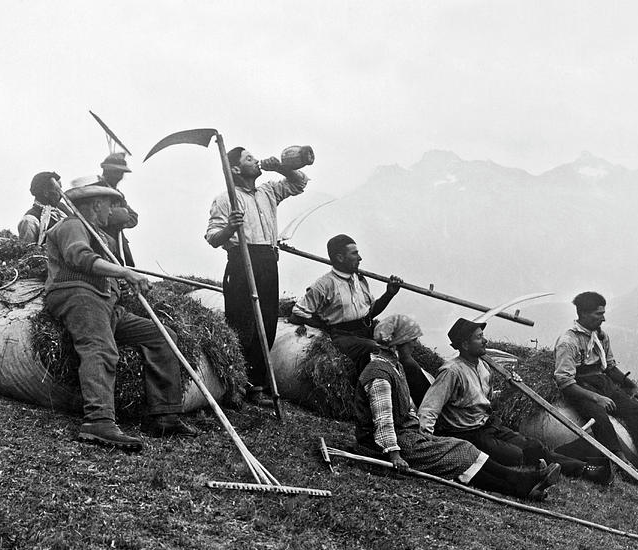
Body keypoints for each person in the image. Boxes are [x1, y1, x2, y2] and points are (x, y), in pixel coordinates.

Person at [43, 182, 197, 449]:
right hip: (78, 295)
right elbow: (79, 257)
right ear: (96, 204)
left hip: (107, 305)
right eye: (111, 204)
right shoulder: (71, 225)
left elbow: (108, 274)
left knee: (163, 337)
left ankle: (164, 415)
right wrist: (124, 272)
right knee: (100, 348)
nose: (113, 210)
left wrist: (123, 283)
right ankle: (98, 422)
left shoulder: (105, 237)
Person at [354, 315, 562, 501]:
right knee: (457, 456)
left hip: (406, 435)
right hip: (385, 445)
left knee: (465, 448)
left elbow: (405, 409)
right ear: (397, 344)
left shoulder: (395, 367)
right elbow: (383, 421)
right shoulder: (379, 374)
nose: (415, 345)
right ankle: (521, 484)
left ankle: (522, 484)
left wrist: (420, 432)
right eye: (411, 341)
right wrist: (394, 455)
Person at [418, 318, 608, 483]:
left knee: (534, 446)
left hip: (489, 426)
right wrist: (427, 442)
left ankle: (583, 469)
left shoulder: (483, 367)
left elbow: (489, 402)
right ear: (465, 345)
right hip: (466, 433)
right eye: (478, 337)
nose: (485, 340)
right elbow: (429, 408)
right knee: (515, 455)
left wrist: (509, 390)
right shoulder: (451, 371)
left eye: (483, 335)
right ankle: (562, 467)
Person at [205, 146, 308, 403]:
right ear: (236, 169)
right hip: (242, 261)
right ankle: (235, 386)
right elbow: (212, 238)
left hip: (267, 262)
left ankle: (256, 387)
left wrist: (282, 167)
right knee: (241, 324)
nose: (256, 160)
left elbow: (299, 183)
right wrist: (230, 228)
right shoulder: (225, 198)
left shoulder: (268, 191)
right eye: (249, 158)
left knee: (267, 324)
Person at [554, 291, 638, 493]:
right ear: (583, 314)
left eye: (603, 313)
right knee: (600, 418)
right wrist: (596, 398)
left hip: (602, 382)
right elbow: (564, 382)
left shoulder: (600, 336)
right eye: (598, 314)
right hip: (580, 388)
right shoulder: (568, 341)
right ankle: (624, 466)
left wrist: (631, 386)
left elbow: (610, 367)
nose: (603, 318)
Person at [287, 234, 433, 399]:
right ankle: (379, 401)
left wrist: (389, 293)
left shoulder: (360, 280)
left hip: (365, 331)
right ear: (340, 257)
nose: (360, 258)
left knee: (404, 352)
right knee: (376, 350)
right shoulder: (323, 285)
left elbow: (370, 313)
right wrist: (324, 324)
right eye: (354, 254)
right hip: (342, 337)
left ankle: (428, 405)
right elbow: (297, 314)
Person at [90, 152, 139, 266]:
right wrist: (116, 217)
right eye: (117, 172)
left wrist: (120, 218)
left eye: (121, 173)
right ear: (107, 171)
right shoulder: (94, 191)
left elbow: (133, 217)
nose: (120, 176)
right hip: (99, 241)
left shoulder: (119, 195)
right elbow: (90, 217)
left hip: (118, 243)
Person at [17, 171, 67, 245]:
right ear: (46, 193)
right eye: (58, 190)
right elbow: (28, 252)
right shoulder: (30, 220)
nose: (61, 195)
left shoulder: (63, 210)